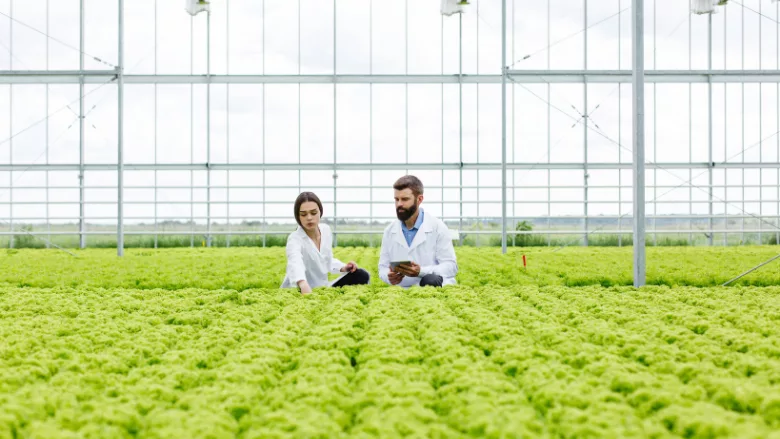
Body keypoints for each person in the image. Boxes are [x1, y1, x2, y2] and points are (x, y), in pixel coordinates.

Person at [281, 192, 370, 294]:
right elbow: (295, 263)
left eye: (313, 213)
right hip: (300, 289)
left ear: (320, 212)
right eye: (303, 214)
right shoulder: (295, 238)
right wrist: (302, 283)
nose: (309, 218)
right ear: (298, 216)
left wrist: (343, 267)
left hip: (321, 288)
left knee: (361, 275)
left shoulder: (326, 230)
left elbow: (327, 260)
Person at [378, 175, 458, 288]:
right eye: (396, 199)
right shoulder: (390, 231)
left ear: (419, 199)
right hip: (403, 290)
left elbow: (451, 266)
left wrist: (421, 271)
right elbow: (383, 267)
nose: (399, 204)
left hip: (433, 289)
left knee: (430, 280)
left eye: (405, 199)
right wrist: (389, 276)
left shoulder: (438, 227)